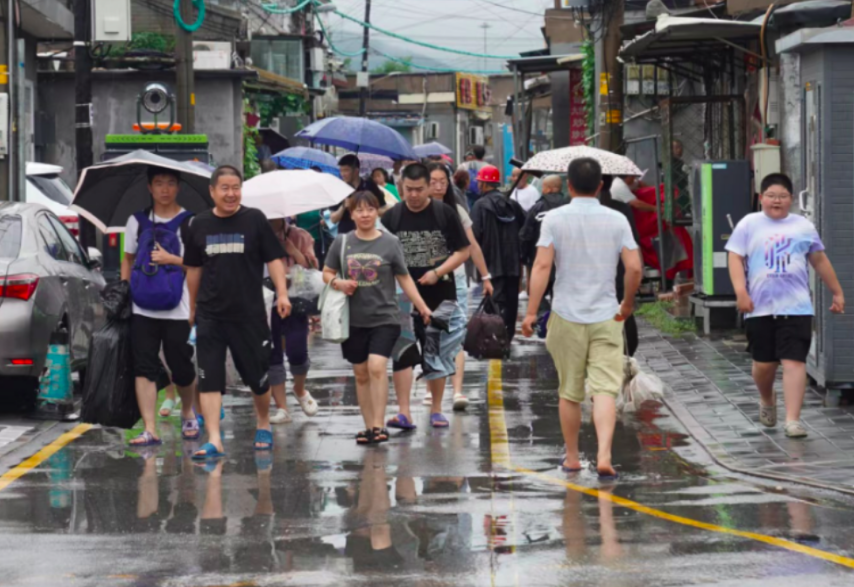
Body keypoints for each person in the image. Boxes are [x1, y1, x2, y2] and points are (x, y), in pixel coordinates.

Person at [521, 158, 642, 479]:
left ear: (569, 186)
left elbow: (542, 267)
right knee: (604, 389)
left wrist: (532, 312)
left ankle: (573, 457)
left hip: (566, 314)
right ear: (601, 185)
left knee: (569, 391)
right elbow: (634, 267)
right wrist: (627, 304)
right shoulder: (617, 219)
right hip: (607, 315)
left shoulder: (554, 219)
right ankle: (603, 455)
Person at [184, 165, 292, 460]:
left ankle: (263, 422)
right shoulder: (200, 224)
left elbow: (274, 259)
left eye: (235, 188)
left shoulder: (254, 219)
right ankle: (215, 439)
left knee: (258, 378)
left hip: (249, 315)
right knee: (208, 377)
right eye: (224, 188)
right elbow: (193, 269)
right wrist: (191, 307)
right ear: (212, 191)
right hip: (210, 315)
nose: (231, 194)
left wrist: (282, 293)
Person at [726, 173, 845, 439]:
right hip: (759, 307)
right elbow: (735, 257)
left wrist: (837, 292)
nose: (776, 201)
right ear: (761, 198)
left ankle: (793, 420)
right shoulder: (749, 224)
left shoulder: (803, 225)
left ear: (791, 199)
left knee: (794, 361)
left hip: (797, 306)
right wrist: (740, 292)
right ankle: (767, 398)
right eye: (770, 196)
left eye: (782, 196)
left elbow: (819, 260)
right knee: (764, 365)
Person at [324, 191, 432, 444]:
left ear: (377, 212)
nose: (365, 214)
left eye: (370, 209)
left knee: (376, 367)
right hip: (352, 319)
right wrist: (338, 282)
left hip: (385, 317)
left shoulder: (390, 242)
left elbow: (404, 277)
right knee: (361, 373)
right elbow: (326, 272)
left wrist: (422, 306)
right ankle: (368, 426)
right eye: (359, 210)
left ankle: (378, 425)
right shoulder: (342, 242)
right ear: (351, 214)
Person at [382, 163, 471, 430]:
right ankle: (404, 412)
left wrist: (437, 271)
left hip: (441, 293)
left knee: (437, 350)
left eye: (419, 189)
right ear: (401, 187)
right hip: (401, 296)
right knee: (403, 351)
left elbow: (463, 251)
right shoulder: (392, 217)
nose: (414, 195)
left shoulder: (444, 213)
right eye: (408, 189)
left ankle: (436, 409)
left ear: (429, 187)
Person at [123, 166, 199, 446]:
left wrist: (172, 259)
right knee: (143, 365)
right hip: (141, 306)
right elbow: (128, 258)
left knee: (180, 364)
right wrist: (124, 290)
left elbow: (198, 264)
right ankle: (150, 428)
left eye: (170, 183)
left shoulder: (190, 222)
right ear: (149, 187)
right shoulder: (137, 221)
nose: (164, 189)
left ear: (178, 187)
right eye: (158, 183)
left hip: (178, 306)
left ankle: (188, 411)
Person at [425, 162, 493, 411]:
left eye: (443, 181)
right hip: (426, 282)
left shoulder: (457, 212)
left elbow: (472, 245)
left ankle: (457, 390)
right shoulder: (415, 212)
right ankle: (431, 389)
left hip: (456, 281)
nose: (439, 186)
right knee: (431, 333)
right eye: (433, 181)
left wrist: (485, 277)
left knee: (455, 334)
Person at [267, 218, 320, 425]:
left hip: (296, 299)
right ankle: (282, 408)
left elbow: (314, 266)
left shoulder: (300, 235)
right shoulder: (256, 234)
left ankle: (299, 389)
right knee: (272, 353)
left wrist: (292, 250)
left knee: (297, 350)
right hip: (266, 298)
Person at [470, 165, 526, 341]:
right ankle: (507, 338)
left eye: (480, 182)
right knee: (511, 301)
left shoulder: (480, 206)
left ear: (484, 185)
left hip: (490, 263)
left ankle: (492, 338)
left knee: (492, 302)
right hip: (512, 263)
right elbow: (526, 229)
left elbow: (474, 235)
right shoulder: (513, 205)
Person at [601, 176, 643, 357]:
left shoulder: (567, 213)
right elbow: (633, 245)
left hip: (588, 278)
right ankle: (625, 355)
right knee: (623, 313)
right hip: (618, 273)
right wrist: (638, 272)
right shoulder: (621, 210)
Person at [519, 175, 568, 306]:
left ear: (550, 189)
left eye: (544, 187)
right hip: (565, 261)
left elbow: (526, 234)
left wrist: (524, 257)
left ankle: (543, 320)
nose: (542, 189)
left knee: (538, 296)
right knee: (560, 298)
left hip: (539, 258)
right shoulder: (568, 206)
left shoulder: (538, 208)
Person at [330, 154, 386, 233]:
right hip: (346, 234)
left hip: (368, 233)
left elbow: (383, 208)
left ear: (356, 170)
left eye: (346, 170)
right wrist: (343, 207)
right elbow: (333, 219)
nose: (343, 174)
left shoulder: (369, 185)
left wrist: (369, 208)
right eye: (341, 170)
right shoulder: (338, 188)